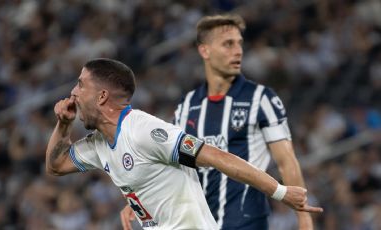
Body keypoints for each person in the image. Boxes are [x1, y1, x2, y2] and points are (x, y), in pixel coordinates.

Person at [46, 58, 322, 230]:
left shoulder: (144, 130)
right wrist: (64, 124)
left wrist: (279, 192)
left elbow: (216, 157)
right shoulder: (98, 144)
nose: (73, 92)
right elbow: (56, 165)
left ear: (102, 96)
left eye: (81, 85)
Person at [119, 14, 316, 229]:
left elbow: (286, 160)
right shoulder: (188, 105)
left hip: (247, 222)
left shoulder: (261, 99)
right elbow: (172, 161)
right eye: (228, 44)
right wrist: (142, 199)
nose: (238, 51)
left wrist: (304, 217)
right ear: (205, 51)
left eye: (240, 44)